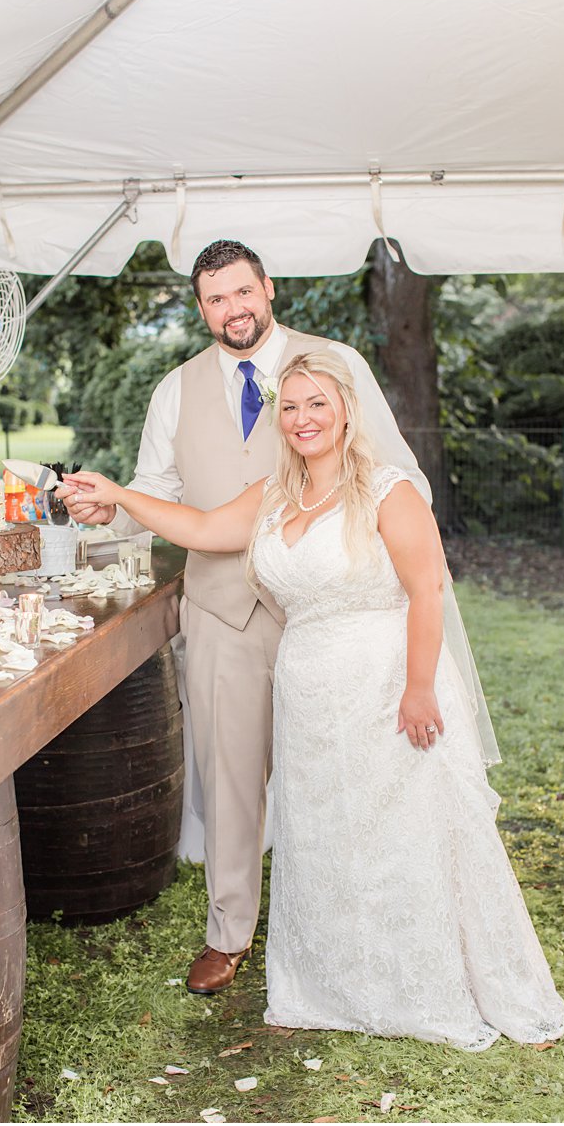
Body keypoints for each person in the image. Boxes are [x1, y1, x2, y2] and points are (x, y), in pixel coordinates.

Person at [60, 352, 564, 1050]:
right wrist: (121, 494)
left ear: (345, 411)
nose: (303, 418)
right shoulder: (274, 492)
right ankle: (341, 981)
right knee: (329, 833)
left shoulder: (389, 491)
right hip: (309, 692)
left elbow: (428, 592)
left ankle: (425, 978)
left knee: (403, 831)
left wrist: (420, 688)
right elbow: (206, 528)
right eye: (291, 406)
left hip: (385, 682)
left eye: (317, 404)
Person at [68, 239, 426, 996]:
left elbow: (401, 478)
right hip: (222, 613)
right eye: (215, 299)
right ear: (200, 308)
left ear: (268, 286)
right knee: (228, 775)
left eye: (242, 292)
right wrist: (109, 511)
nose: (232, 309)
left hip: (323, 616)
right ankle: (228, 932)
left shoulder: (335, 366)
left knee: (339, 771)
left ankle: (351, 919)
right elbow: (153, 492)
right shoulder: (176, 389)